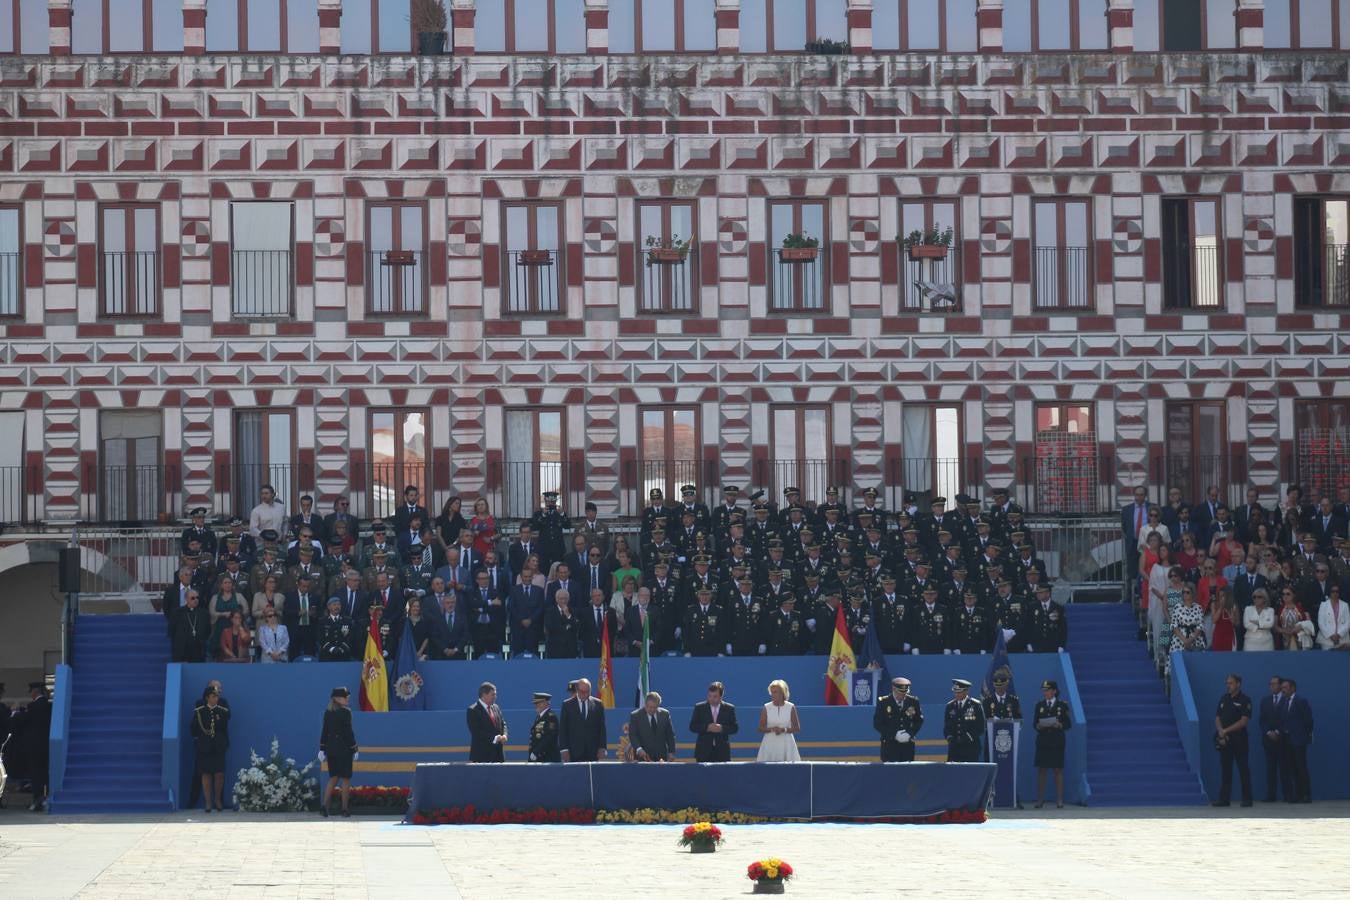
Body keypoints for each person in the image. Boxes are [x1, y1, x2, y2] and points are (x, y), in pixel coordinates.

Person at [1213, 674, 1253, 807]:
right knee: (1226, 770)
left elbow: (1243, 721)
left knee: (1243, 770)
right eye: (1227, 683)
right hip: (1225, 741)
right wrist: (1220, 731)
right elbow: (1217, 717)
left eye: (1231, 683)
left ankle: (1247, 799)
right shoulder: (1224, 698)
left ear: (1238, 684)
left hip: (1240, 740)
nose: (1228, 685)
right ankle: (1224, 799)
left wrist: (1226, 731)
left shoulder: (1245, 700)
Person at [318, 686, 358, 817]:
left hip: (331, 749)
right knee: (345, 779)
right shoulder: (346, 712)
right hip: (344, 749)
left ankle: (324, 806)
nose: (347, 699)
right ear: (337, 699)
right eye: (345, 697)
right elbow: (348, 733)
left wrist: (322, 748)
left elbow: (325, 731)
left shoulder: (328, 712)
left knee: (333, 778)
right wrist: (354, 748)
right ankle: (345, 809)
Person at [1032, 679, 1072, 808]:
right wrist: (1038, 726)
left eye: (1048, 690)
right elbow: (1035, 723)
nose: (1045, 693)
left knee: (1057, 770)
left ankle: (1059, 800)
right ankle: (1040, 800)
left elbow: (1068, 724)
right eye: (1044, 690)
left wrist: (1060, 724)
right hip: (1043, 741)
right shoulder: (1040, 705)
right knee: (1042, 771)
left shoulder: (1062, 705)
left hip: (1056, 740)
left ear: (1054, 691)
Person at [189, 686, 230, 813]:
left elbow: (224, 729)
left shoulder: (223, 711)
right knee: (206, 774)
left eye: (217, 696)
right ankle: (208, 802)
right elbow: (193, 730)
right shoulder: (199, 711)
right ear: (207, 697)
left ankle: (217, 800)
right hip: (204, 747)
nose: (216, 698)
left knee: (219, 774)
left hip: (218, 747)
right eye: (213, 696)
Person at [1278, 678, 1313, 803]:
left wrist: (1304, 735)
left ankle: (1306, 794)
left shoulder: (1301, 701)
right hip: (1287, 740)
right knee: (1292, 768)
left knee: (1301, 767)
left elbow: (1308, 720)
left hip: (1298, 739)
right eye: (1282, 688)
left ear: (1293, 688)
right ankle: (1297, 795)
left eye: (1285, 688)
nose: (1283, 690)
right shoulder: (1283, 702)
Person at [873, 677, 923, 762]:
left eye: (905, 693)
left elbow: (919, 720)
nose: (903, 695)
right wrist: (894, 735)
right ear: (893, 689)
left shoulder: (913, 701)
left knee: (907, 773)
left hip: (907, 746)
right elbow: (878, 724)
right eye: (900, 692)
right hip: (889, 746)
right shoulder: (884, 702)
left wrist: (910, 734)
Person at [19, 682, 51, 811]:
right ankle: (44, 798)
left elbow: (24, 721)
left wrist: (17, 713)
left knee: (36, 775)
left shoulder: (32, 706)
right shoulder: (49, 706)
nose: (31, 694)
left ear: (36, 691)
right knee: (44, 774)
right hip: (45, 746)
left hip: (34, 747)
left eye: (31, 691)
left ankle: (37, 799)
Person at [558, 677, 606, 762]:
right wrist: (564, 749)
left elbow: (602, 728)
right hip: (573, 752)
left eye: (587, 692)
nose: (585, 694)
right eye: (582, 692)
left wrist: (602, 747)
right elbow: (563, 729)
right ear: (577, 689)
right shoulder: (567, 705)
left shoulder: (598, 704)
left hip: (593, 752)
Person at [689, 681, 738, 762]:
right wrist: (707, 727)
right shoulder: (699, 707)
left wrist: (722, 728)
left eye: (715, 696)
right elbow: (692, 726)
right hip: (703, 751)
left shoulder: (729, 708)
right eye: (709, 696)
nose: (711, 698)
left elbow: (735, 728)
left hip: (722, 752)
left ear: (721, 696)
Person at [755, 679, 802, 763]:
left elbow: (797, 728)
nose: (773, 694)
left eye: (775, 692)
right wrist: (772, 729)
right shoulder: (766, 707)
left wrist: (784, 730)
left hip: (787, 743)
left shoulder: (790, 707)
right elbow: (760, 728)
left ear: (782, 693)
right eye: (772, 692)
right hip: (770, 744)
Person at [943, 678, 986, 763]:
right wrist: (949, 737)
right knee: (954, 774)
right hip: (954, 748)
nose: (957, 694)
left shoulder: (975, 705)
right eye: (955, 692)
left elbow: (980, 727)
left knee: (970, 773)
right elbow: (947, 726)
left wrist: (968, 737)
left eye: (959, 692)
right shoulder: (950, 706)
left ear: (966, 691)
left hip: (970, 747)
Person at [628, 691, 677, 762]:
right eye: (649, 707)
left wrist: (671, 752)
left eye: (655, 707)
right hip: (643, 757)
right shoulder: (635, 716)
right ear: (645, 704)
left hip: (661, 757)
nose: (652, 709)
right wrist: (639, 749)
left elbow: (670, 735)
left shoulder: (665, 714)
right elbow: (633, 735)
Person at [1258, 675, 1284, 802]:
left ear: (1280, 685)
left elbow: (1287, 719)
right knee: (1270, 769)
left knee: (1285, 768)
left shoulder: (1286, 700)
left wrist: (1278, 732)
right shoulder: (1265, 701)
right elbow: (1262, 720)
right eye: (1270, 684)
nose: (1272, 686)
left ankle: (1287, 795)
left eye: (1274, 683)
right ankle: (1271, 796)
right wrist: (1268, 732)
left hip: (1283, 740)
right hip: (1268, 740)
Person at [467, 682, 507, 763]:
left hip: (498, 755)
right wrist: (495, 738)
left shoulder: (496, 707)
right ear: (484, 694)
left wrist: (504, 735)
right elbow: (476, 732)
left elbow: (503, 723)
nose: (495, 697)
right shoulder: (473, 710)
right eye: (493, 694)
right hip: (482, 756)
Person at [171, 589, 211, 663]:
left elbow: (208, 631)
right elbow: (172, 631)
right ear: (186, 599)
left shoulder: (204, 614)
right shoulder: (177, 613)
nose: (196, 600)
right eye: (193, 598)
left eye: (197, 598)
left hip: (198, 650)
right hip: (182, 650)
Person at [528, 692, 561, 762]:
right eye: (535, 703)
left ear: (546, 703)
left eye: (539, 703)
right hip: (539, 757)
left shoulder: (551, 717)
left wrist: (536, 752)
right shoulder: (539, 717)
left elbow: (549, 738)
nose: (536, 705)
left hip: (548, 757)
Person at [1316, 583, 1349, 650]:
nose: (1335, 593)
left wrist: (1339, 635)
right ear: (1329, 592)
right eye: (1333, 591)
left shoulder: (1345, 605)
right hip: (1327, 640)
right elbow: (1321, 623)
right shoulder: (1323, 605)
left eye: (1337, 591)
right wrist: (1331, 636)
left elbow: (1348, 622)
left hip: (1342, 640)